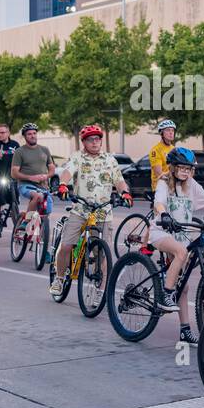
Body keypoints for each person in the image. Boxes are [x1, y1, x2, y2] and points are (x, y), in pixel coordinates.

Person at [149, 146, 204, 345]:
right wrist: (164, 215)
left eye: (189, 168)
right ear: (173, 167)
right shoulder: (164, 182)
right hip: (161, 231)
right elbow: (158, 202)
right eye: (182, 168)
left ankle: (185, 330)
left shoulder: (191, 184)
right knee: (180, 252)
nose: (186, 171)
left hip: (181, 234)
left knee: (185, 286)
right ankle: (166, 294)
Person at [51, 124, 133, 296]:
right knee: (66, 245)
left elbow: (118, 180)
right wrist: (64, 185)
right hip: (80, 210)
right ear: (84, 142)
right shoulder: (77, 157)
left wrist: (124, 192)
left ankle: (101, 290)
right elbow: (67, 172)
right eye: (90, 140)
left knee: (102, 252)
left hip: (103, 212)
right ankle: (59, 279)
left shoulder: (110, 160)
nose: (95, 142)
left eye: (97, 139)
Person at [10, 122, 54, 227]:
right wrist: (31, 178)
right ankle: (26, 221)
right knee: (37, 196)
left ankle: (26, 217)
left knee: (46, 210)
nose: (33, 136)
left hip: (43, 186)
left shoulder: (45, 150)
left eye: (34, 133)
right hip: (26, 185)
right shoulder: (19, 152)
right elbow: (14, 173)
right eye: (29, 134)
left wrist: (46, 176)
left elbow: (52, 168)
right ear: (25, 136)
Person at [148, 119, 177, 189]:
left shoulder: (174, 149)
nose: (171, 133)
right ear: (161, 133)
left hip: (173, 186)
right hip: (160, 187)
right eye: (168, 130)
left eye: (172, 130)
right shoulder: (155, 150)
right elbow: (159, 174)